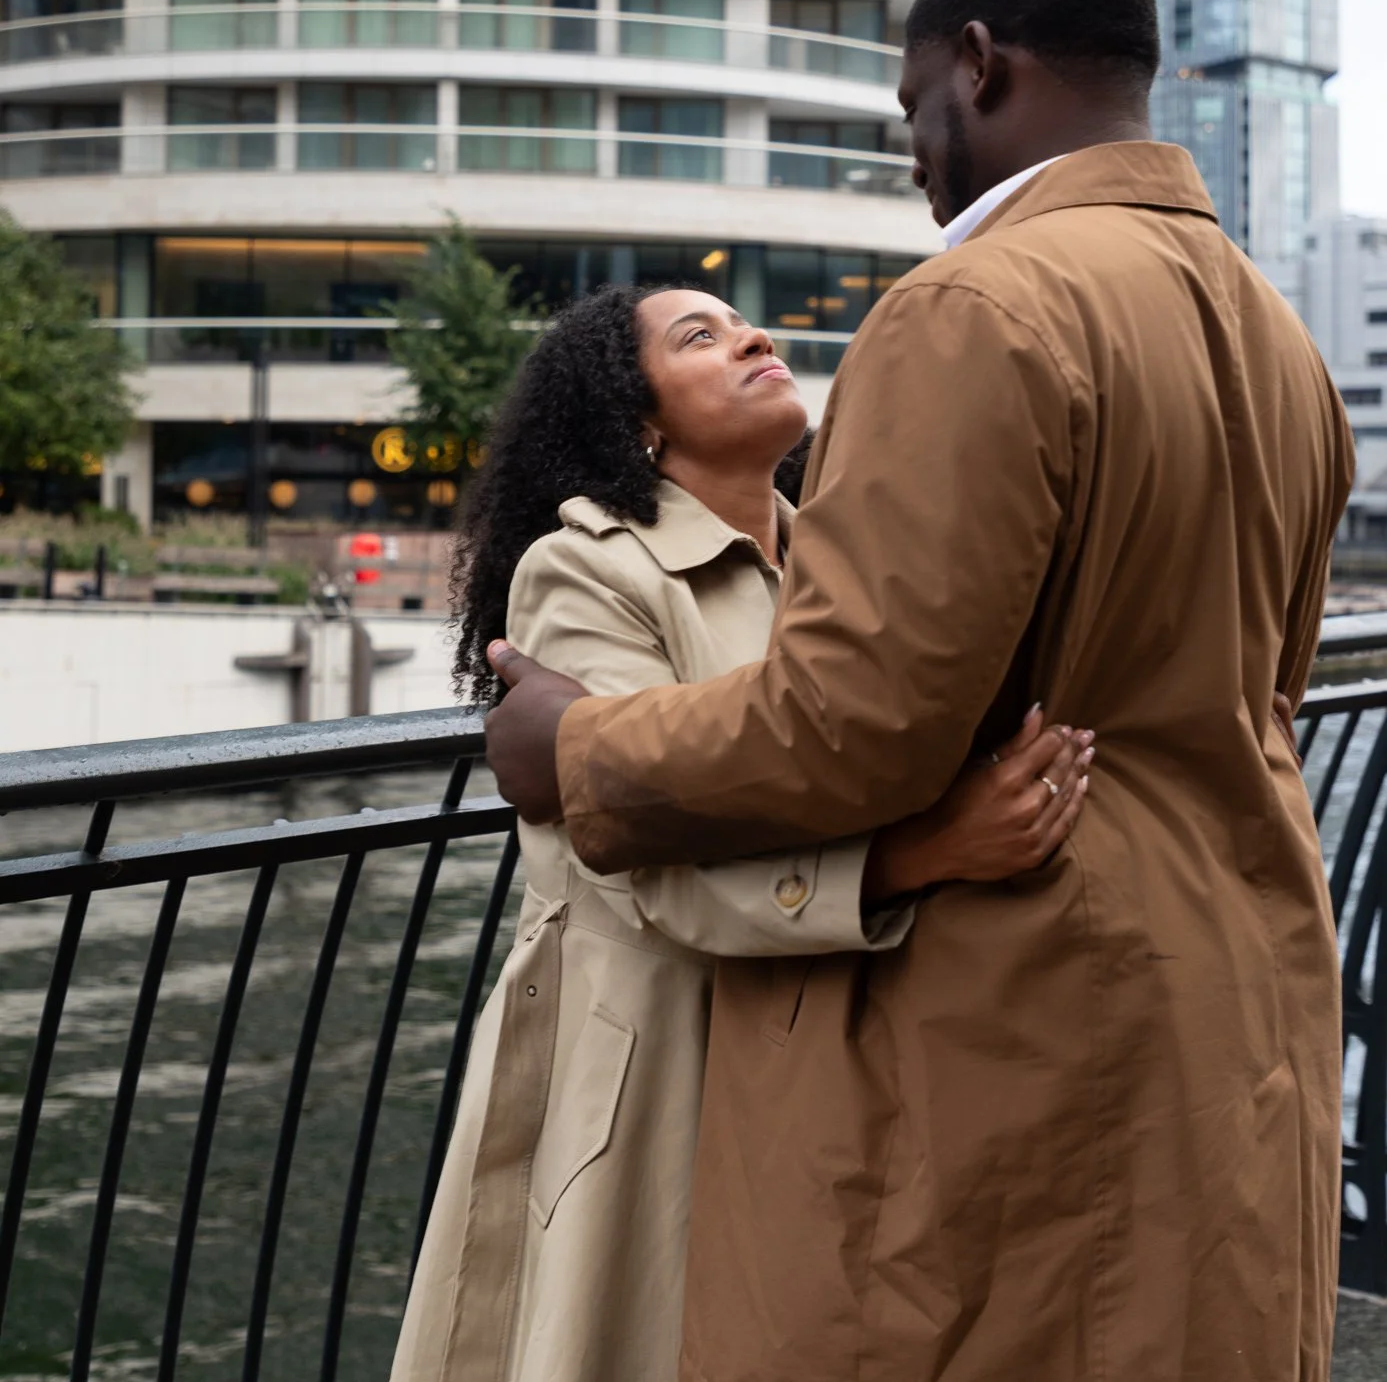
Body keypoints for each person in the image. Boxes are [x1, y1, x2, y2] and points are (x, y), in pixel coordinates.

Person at [486, 0, 1356, 1382]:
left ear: (978, 64)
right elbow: (1272, 684)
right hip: (1235, 993)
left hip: (1010, 1021)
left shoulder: (973, 306)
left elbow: (851, 722)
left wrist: (573, 745)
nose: (914, 157)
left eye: (912, 110)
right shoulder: (1280, 342)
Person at [391, 282, 1091, 1382]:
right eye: (698, 336)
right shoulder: (587, 568)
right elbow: (635, 857)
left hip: (822, 1029)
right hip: (654, 1055)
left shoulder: (841, 572)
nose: (752, 336)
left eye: (743, 325)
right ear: (639, 420)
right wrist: (922, 855)